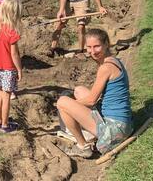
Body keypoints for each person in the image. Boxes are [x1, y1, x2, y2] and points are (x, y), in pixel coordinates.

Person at [56, 28, 133, 158]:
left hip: (115, 130)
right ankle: (84, 126)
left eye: (96, 46)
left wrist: (71, 105)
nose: (92, 51)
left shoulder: (105, 68)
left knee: (62, 102)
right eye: (89, 47)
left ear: (106, 44)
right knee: (79, 90)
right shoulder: (114, 60)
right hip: (125, 124)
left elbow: (92, 100)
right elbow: (95, 97)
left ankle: (83, 146)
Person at [0, 0, 23, 133]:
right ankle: (5, 125)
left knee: (0, 94)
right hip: (8, 69)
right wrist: (19, 69)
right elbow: (14, 54)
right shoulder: (12, 32)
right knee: (7, 96)